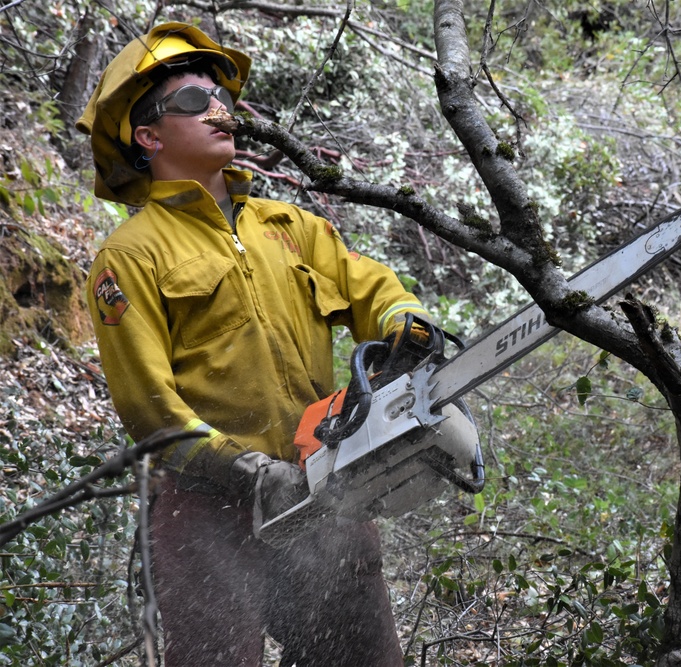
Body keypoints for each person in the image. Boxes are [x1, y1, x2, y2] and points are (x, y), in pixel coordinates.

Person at [77, 22, 429, 666]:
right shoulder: (130, 255)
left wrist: (404, 319)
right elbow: (149, 407)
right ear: (149, 137)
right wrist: (247, 471)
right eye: (190, 100)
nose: (217, 108)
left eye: (223, 99)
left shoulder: (291, 226)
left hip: (322, 486)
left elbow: (371, 287)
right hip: (207, 514)